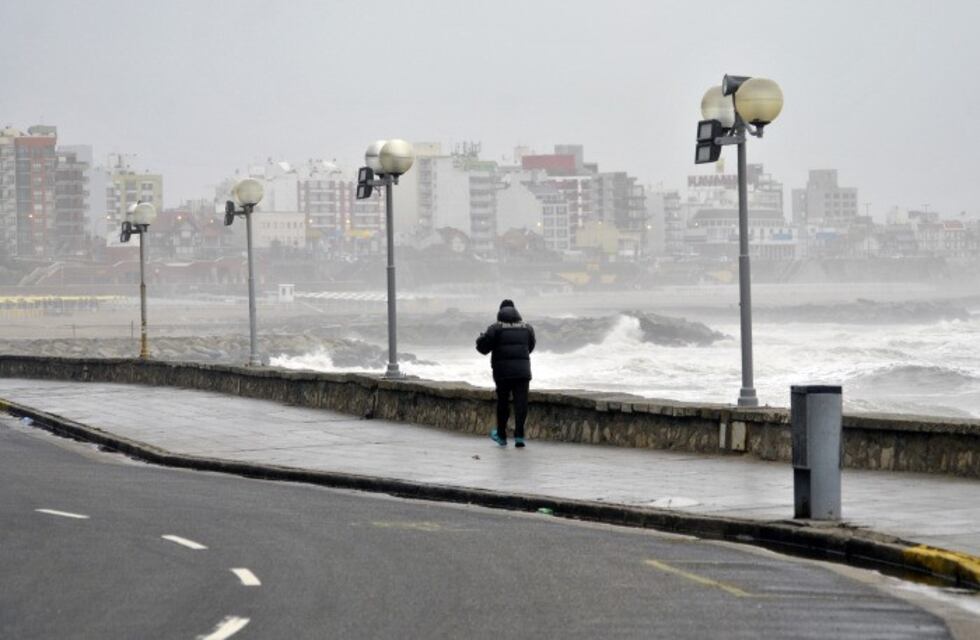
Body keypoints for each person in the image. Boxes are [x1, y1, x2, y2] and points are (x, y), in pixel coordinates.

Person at [476, 299, 535, 448]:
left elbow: (483, 349)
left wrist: (481, 339)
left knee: (503, 402)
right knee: (521, 403)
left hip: (502, 372)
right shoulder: (527, 327)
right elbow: (530, 347)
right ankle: (520, 436)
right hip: (522, 372)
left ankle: (502, 436)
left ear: (500, 312)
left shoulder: (495, 328)